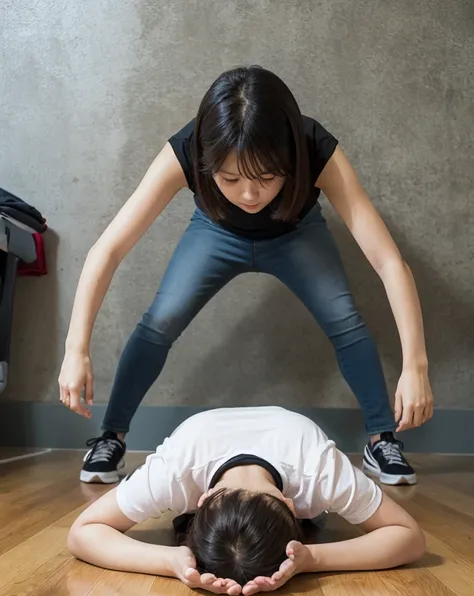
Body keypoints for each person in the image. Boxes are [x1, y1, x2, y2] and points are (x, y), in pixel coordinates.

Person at [58, 66, 433, 486]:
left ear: (289, 157)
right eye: (230, 179)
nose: (249, 195)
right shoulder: (186, 148)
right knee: (160, 320)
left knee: (346, 322)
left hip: (296, 233)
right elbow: (108, 249)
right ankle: (110, 436)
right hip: (214, 233)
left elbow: (388, 262)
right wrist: (76, 349)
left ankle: (382, 440)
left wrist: (415, 366)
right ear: (206, 160)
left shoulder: (314, 147)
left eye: (267, 177)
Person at [67, 407, 425, 596]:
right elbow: (81, 532)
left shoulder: (317, 466)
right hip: (206, 435)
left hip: (289, 434)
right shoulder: (177, 468)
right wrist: (169, 561)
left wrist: (313, 559)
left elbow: (409, 537)